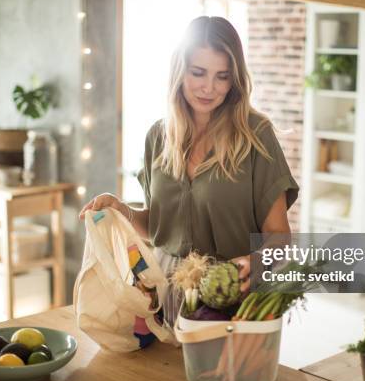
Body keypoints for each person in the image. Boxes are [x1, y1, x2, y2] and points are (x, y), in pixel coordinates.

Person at [79, 16, 299, 327]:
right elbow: (158, 225)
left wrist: (254, 263)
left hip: (230, 295)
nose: (209, 88)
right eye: (198, 72)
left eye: (222, 76)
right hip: (165, 291)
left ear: (234, 80)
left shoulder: (255, 135)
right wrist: (121, 210)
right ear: (179, 70)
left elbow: (279, 235)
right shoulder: (158, 136)